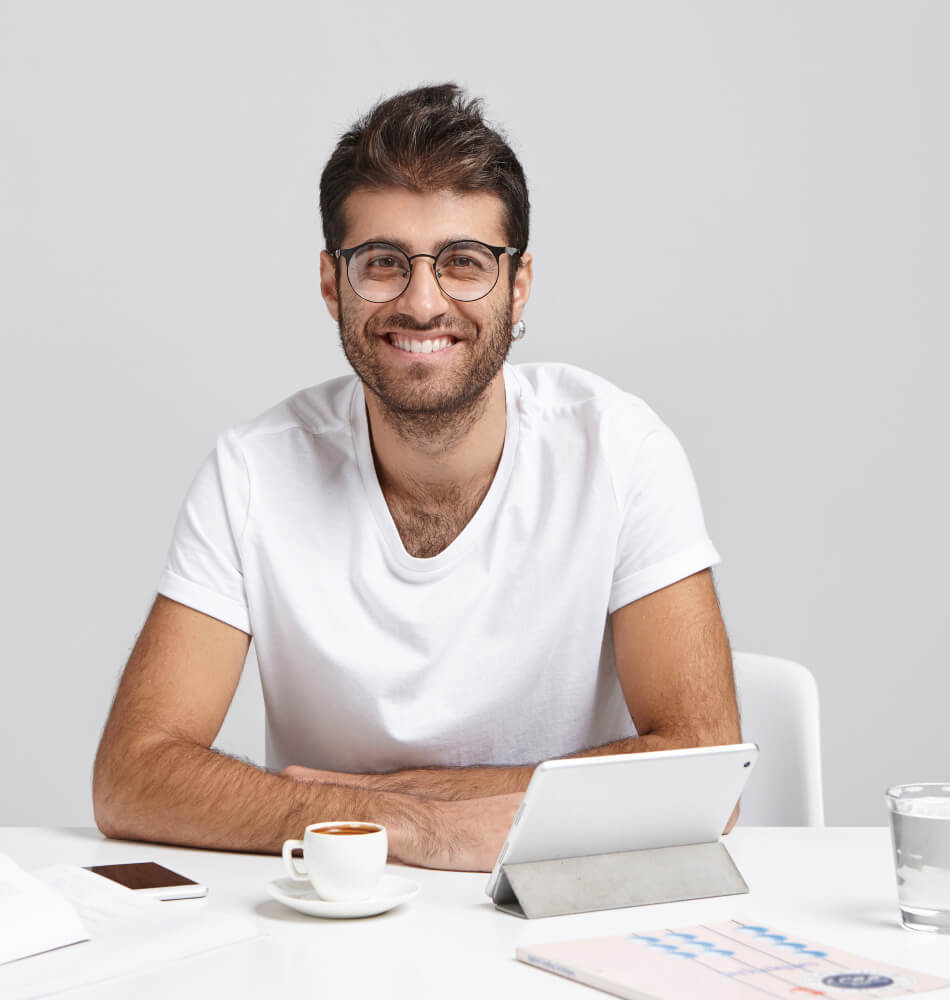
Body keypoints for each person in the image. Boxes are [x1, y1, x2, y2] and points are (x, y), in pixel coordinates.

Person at [92, 83, 741, 872]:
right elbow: (131, 777)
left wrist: (400, 798)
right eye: (383, 263)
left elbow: (706, 772)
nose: (423, 301)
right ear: (333, 284)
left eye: (465, 262)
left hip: (557, 901)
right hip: (333, 926)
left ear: (519, 284)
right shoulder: (253, 473)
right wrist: (413, 827)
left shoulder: (619, 451)